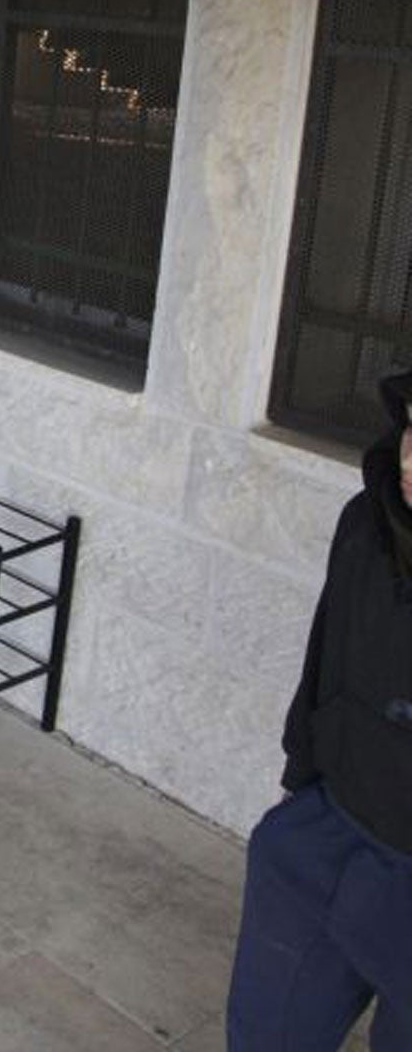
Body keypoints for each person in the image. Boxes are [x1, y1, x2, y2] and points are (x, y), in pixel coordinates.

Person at [226, 369, 412, 1051]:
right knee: (268, 1031)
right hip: (327, 834)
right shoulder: (368, 520)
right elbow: (325, 650)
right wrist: (303, 780)